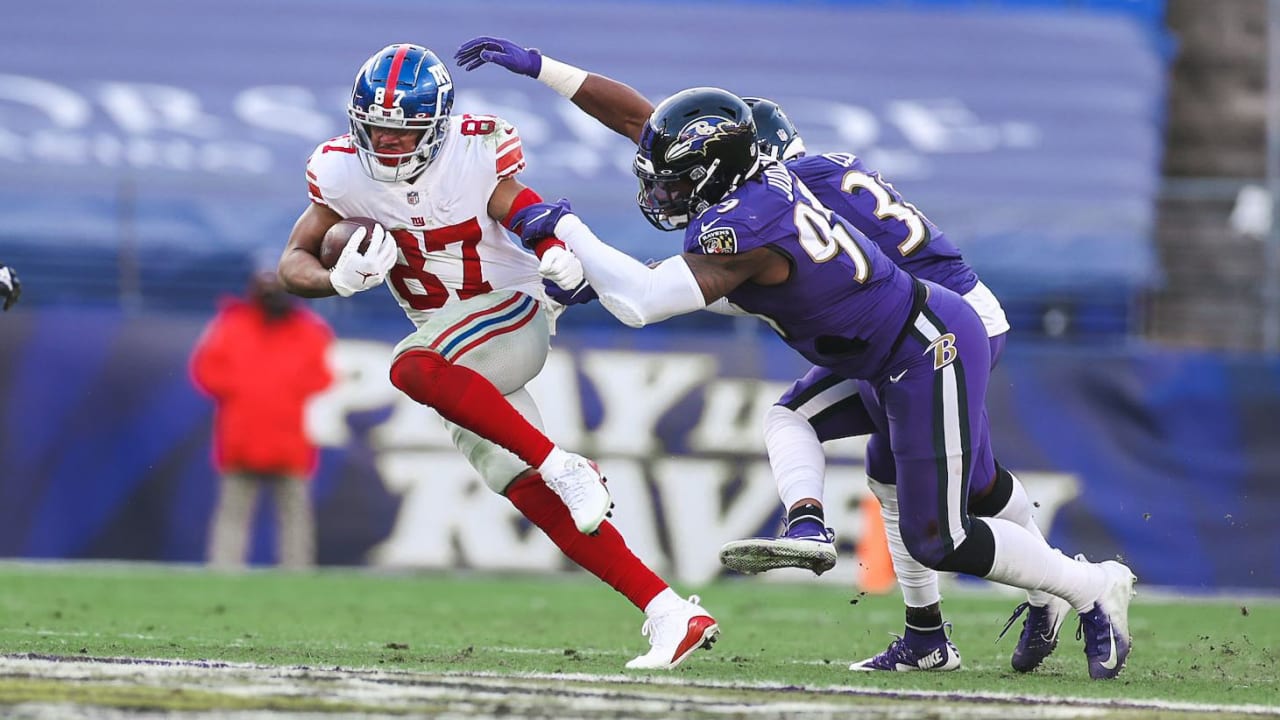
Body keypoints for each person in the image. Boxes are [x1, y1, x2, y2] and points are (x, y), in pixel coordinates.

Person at [454, 38, 1073, 673]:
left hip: (934, 324)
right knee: (895, 470)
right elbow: (646, 129)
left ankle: (1054, 589)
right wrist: (542, 68)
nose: (667, 188)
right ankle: (915, 611)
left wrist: (587, 252)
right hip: (903, 322)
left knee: (943, 491)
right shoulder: (785, 181)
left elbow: (708, 282)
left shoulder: (771, 201)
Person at [276, 43, 717, 670]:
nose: (389, 145)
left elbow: (524, 207)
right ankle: (670, 612)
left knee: (410, 367)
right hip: (457, 355)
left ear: (438, 126)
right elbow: (293, 261)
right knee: (528, 489)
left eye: (404, 134)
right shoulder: (341, 173)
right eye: (376, 130)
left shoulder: (474, 151)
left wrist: (555, 250)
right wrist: (335, 282)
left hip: (509, 309)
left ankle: (567, 464)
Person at [190, 269, 333, 568]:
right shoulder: (231, 324)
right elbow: (205, 370)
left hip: (287, 438)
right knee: (234, 510)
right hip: (242, 436)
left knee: (293, 512)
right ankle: (224, 571)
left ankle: (297, 574)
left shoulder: (308, 330)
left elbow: (322, 376)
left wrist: (279, 389)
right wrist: (247, 388)